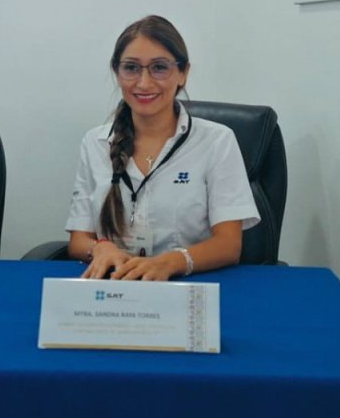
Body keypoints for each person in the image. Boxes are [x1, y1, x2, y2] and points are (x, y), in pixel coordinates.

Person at [64, 15, 260, 281]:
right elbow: (78, 239)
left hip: (189, 285)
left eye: (159, 67)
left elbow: (229, 245)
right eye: (131, 68)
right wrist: (100, 248)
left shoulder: (217, 141)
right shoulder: (95, 143)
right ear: (117, 73)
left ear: (183, 73)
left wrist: (172, 262)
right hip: (114, 287)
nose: (144, 83)